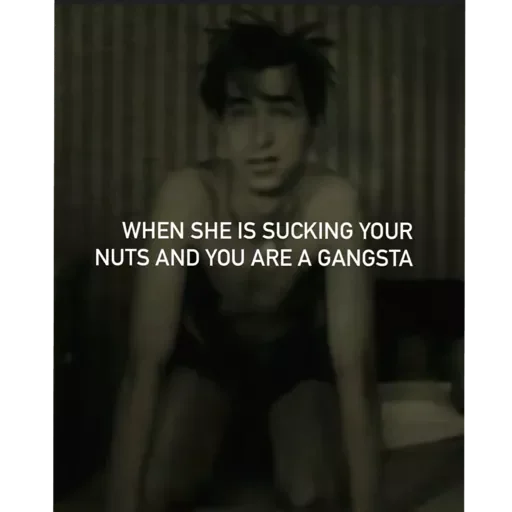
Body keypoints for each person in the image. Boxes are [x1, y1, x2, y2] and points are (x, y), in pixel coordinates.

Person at [106, 12, 382, 512]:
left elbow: (354, 368)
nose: (261, 139)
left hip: (293, 369)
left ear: (312, 125)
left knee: (318, 494)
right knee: (154, 490)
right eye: (240, 113)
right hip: (209, 365)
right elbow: (144, 363)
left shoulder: (332, 203)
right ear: (219, 126)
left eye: (282, 112)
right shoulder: (188, 197)